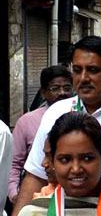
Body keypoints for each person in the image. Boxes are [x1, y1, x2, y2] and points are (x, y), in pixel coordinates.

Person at [13, 36, 101, 216]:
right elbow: (36, 175)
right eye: (77, 70)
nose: (83, 78)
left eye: (93, 70)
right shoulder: (56, 113)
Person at [10, 64, 72, 200]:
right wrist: (15, 195)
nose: (62, 93)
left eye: (67, 88)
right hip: (35, 199)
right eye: (55, 88)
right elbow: (14, 164)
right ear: (43, 93)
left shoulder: (82, 118)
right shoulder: (27, 121)